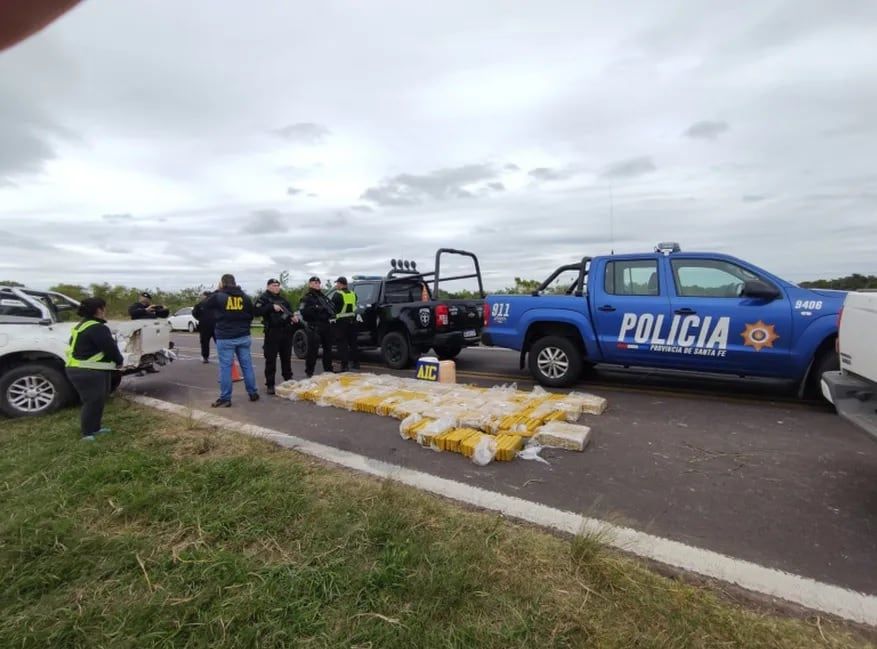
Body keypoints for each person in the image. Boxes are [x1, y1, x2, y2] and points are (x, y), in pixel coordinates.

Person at [64, 297, 124, 441]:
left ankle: (95, 428)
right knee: (92, 401)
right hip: (88, 370)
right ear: (99, 310)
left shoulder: (82, 325)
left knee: (98, 400)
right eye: (104, 308)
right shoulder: (98, 327)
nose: (105, 311)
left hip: (82, 369)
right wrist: (119, 360)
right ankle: (87, 433)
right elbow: (110, 347)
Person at [201, 274, 259, 407]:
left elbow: (204, 305)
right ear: (234, 282)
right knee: (247, 366)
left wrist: (217, 291)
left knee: (225, 368)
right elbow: (251, 314)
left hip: (225, 337)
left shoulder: (218, 296)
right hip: (243, 335)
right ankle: (253, 393)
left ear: (222, 283)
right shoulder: (244, 297)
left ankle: (226, 398)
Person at [254, 278, 299, 394]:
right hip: (272, 333)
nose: (276, 287)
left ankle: (288, 379)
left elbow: (290, 312)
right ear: (268, 286)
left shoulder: (283, 299)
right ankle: (270, 384)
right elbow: (256, 311)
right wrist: (270, 307)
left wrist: (293, 318)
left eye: (278, 285)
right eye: (274, 285)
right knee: (271, 359)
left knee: (286, 358)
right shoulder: (263, 298)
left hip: (285, 332)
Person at [300, 276, 335, 378]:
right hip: (314, 326)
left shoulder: (323, 297)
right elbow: (303, 312)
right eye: (314, 283)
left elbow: (332, 308)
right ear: (310, 284)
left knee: (328, 349)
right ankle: (309, 372)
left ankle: (328, 370)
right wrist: (316, 308)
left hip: (326, 325)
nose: (317, 284)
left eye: (318, 283)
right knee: (313, 351)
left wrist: (326, 311)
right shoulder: (307, 298)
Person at [331, 276, 360, 371]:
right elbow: (355, 306)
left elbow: (332, 308)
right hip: (352, 321)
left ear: (340, 284)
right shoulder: (353, 294)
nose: (336, 285)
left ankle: (344, 366)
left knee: (342, 344)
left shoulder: (337, 295)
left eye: (337, 283)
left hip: (341, 323)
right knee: (353, 343)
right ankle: (356, 364)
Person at [192, 290, 216, 363]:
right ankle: (224, 356)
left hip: (204, 326)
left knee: (204, 342)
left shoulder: (200, 304)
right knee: (219, 342)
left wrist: (200, 318)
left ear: (205, 296)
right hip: (216, 325)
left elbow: (195, 313)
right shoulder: (216, 304)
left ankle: (205, 357)